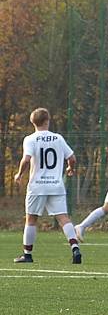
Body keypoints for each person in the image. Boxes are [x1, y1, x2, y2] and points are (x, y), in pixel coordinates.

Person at [13, 107, 82, 264]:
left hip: (37, 185)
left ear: (33, 122)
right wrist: (71, 168)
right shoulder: (58, 138)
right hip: (56, 185)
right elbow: (72, 158)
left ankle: (27, 255)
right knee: (63, 218)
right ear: (47, 121)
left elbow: (26, 159)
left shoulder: (30, 139)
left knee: (31, 219)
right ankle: (75, 248)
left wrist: (19, 174)